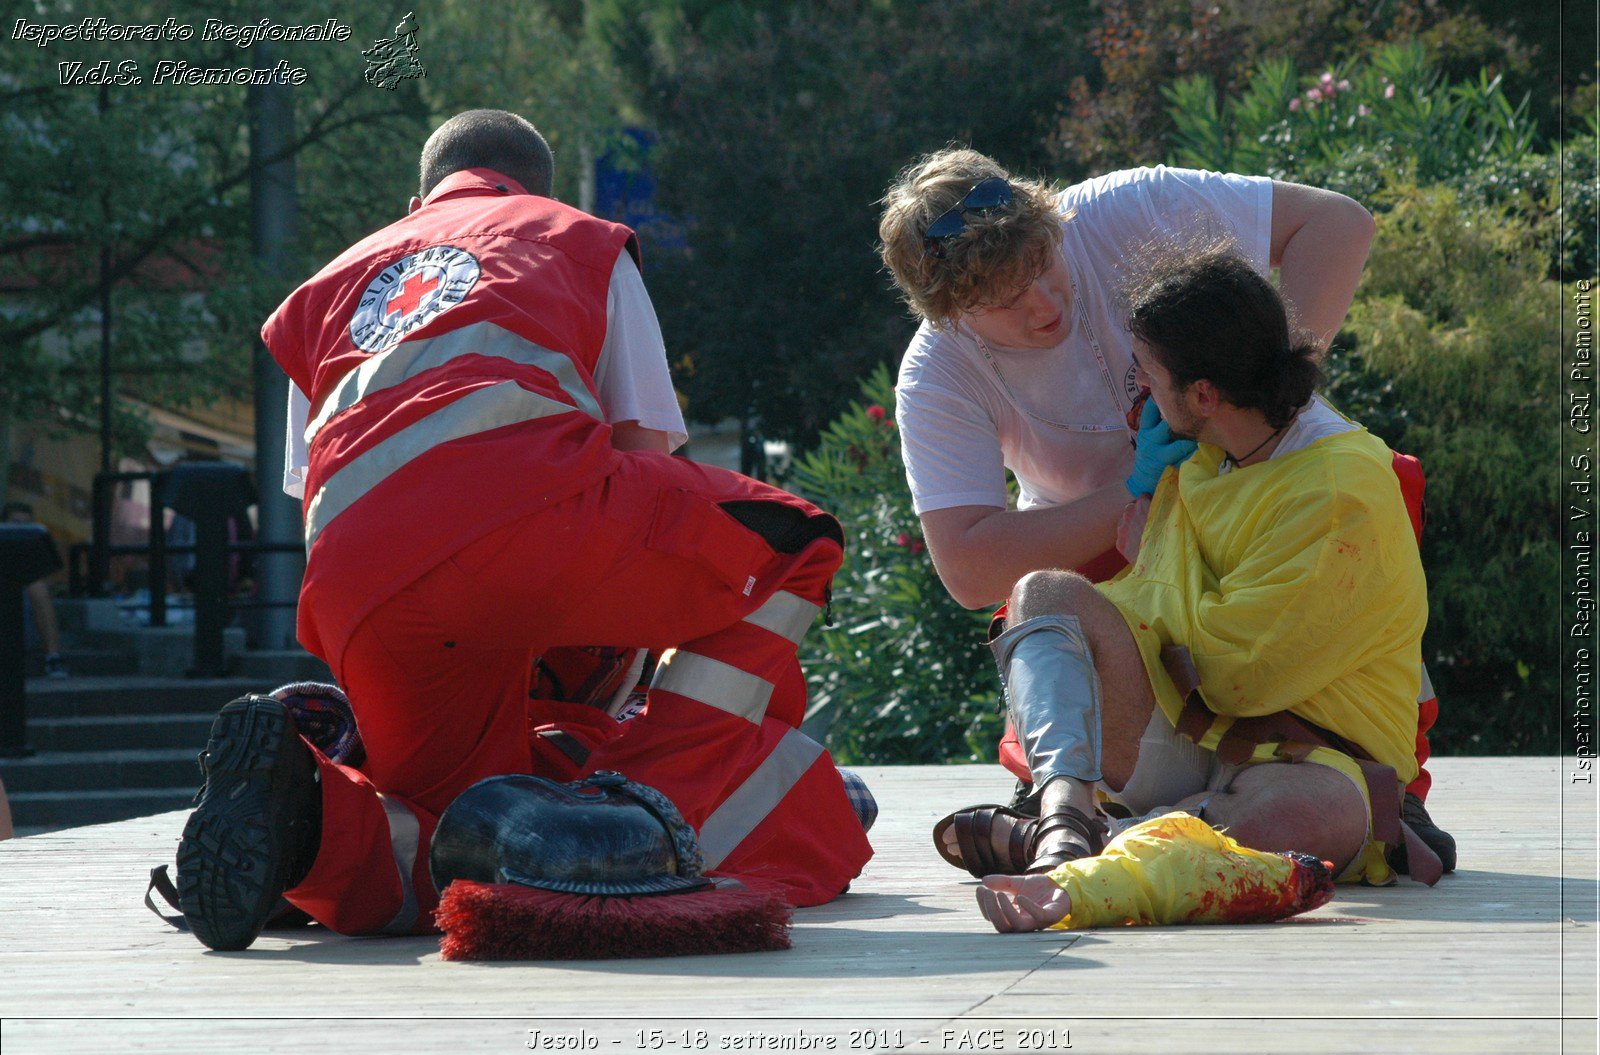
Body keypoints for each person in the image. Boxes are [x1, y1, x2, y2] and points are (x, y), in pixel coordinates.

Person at [174, 109, 871, 951]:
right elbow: (644, 455)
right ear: (533, 186)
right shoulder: (576, 237)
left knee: (442, 840)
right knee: (797, 543)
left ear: (416, 201)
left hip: (363, 590)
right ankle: (633, 821)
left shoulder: (330, 286)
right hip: (528, 530)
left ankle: (310, 818)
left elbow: (319, 493)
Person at [875, 148, 1453, 870]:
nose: (1045, 307)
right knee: (1038, 602)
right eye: (1004, 302)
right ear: (952, 314)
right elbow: (967, 569)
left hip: (1250, 479)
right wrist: (1137, 490)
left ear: (1053, 222)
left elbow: (1338, 226)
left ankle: (1379, 780)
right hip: (1120, 541)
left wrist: (1261, 386)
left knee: (1371, 499)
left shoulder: (1124, 207)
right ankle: (1072, 801)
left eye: (1044, 269)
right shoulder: (936, 375)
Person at [972, 245, 1435, 931]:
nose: (1141, 394)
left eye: (1150, 377)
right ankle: (1066, 815)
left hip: (1315, 758)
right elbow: (1154, 608)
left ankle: (1091, 865)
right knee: (1042, 594)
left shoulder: (1341, 490)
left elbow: (1238, 675)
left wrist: (1140, 594)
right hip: (1196, 726)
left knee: (1313, 822)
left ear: (1204, 394)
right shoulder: (1209, 450)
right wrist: (1143, 524)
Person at [2, 502, 67, 679]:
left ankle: (53, 658)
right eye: (15, 523)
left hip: (25, 624)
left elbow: (54, 576)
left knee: (37, 587)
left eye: (26, 523)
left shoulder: (37, 546)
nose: (21, 528)